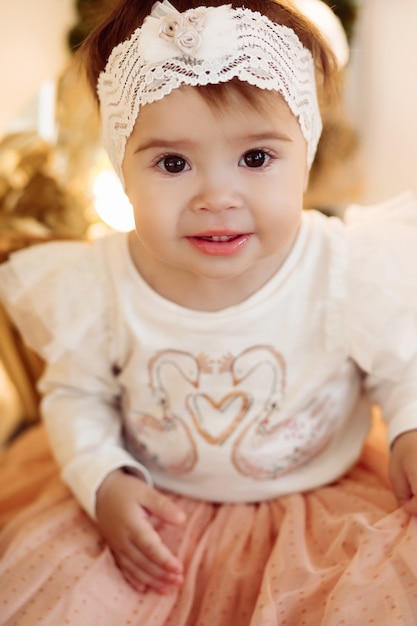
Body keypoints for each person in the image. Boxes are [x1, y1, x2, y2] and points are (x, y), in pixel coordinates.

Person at [1, 0, 417, 624]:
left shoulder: (342, 266)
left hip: (321, 502)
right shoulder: (102, 282)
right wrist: (104, 480)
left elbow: (402, 363)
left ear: (304, 154)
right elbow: (74, 394)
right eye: (173, 163)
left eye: (256, 159)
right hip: (156, 510)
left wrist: (410, 426)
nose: (216, 197)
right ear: (122, 166)